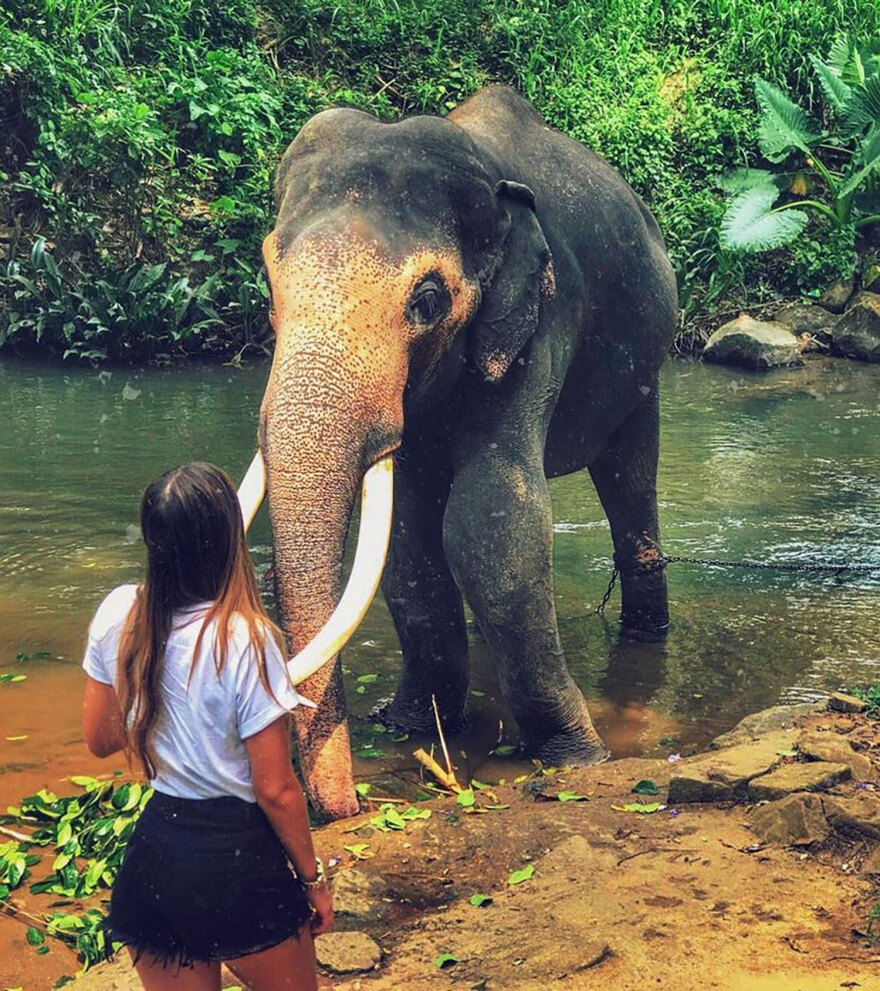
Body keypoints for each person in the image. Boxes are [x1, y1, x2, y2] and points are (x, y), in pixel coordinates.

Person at [81, 461, 332, 991]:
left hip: (155, 859)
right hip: (236, 864)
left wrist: (158, 702)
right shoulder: (247, 637)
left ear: (153, 541)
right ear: (228, 541)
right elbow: (278, 790)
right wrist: (314, 880)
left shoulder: (117, 613)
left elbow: (100, 740)